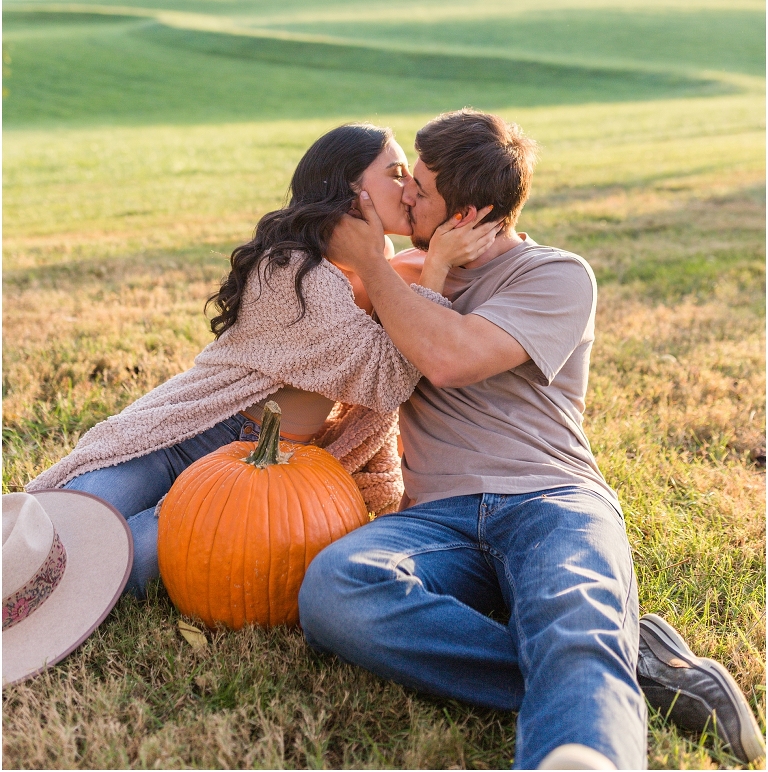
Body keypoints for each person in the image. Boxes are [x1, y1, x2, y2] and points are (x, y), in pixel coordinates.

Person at [300, 108, 765, 771]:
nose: (405, 196)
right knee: (336, 590)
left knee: (573, 620)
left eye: (422, 190)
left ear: (468, 214)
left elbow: (450, 357)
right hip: (438, 520)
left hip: (551, 500)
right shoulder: (408, 276)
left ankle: (582, 743)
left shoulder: (557, 276)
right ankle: (631, 667)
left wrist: (375, 267)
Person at [26, 123, 496, 599]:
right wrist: (432, 269)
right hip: (193, 433)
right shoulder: (291, 266)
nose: (410, 190)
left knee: (119, 570)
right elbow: (385, 377)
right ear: (352, 190)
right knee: (57, 523)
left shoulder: (383, 261)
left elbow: (396, 365)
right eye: (396, 174)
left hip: (261, 468)